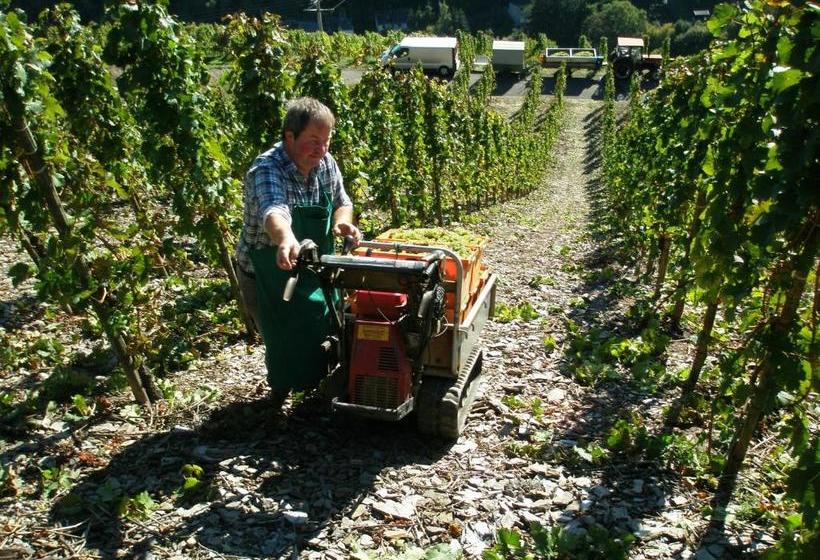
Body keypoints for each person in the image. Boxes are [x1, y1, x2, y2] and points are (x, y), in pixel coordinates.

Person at [235, 97, 361, 410]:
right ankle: (279, 396)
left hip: (314, 268)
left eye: (327, 141)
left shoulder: (325, 164)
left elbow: (342, 201)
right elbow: (273, 210)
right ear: (289, 136)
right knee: (282, 340)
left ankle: (318, 392)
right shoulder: (266, 169)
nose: (321, 150)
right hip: (268, 272)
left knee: (323, 328)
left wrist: (343, 224)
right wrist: (286, 238)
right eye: (313, 141)